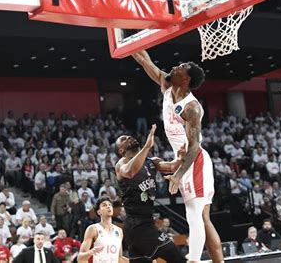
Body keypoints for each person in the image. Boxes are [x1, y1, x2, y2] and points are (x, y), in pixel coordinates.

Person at [132, 50, 223, 263]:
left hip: (196, 160)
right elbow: (145, 60)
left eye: (181, 67)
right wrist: (126, 39)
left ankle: (194, 260)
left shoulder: (192, 108)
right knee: (198, 216)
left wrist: (177, 174)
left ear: (186, 78)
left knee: (198, 215)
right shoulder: (167, 85)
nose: (175, 67)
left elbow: (193, 147)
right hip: (182, 160)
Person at [115, 125, 187, 263]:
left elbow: (172, 166)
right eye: (124, 139)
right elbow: (130, 172)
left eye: (128, 136)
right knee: (176, 256)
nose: (129, 137)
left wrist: (181, 157)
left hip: (144, 224)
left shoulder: (151, 161)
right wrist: (147, 146)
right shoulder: (121, 164)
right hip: (137, 225)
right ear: (121, 150)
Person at [78, 197, 125, 263]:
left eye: (110, 205)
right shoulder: (93, 229)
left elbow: (119, 259)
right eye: (104, 205)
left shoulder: (119, 231)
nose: (108, 207)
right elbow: (80, 258)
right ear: (99, 212)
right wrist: (91, 252)